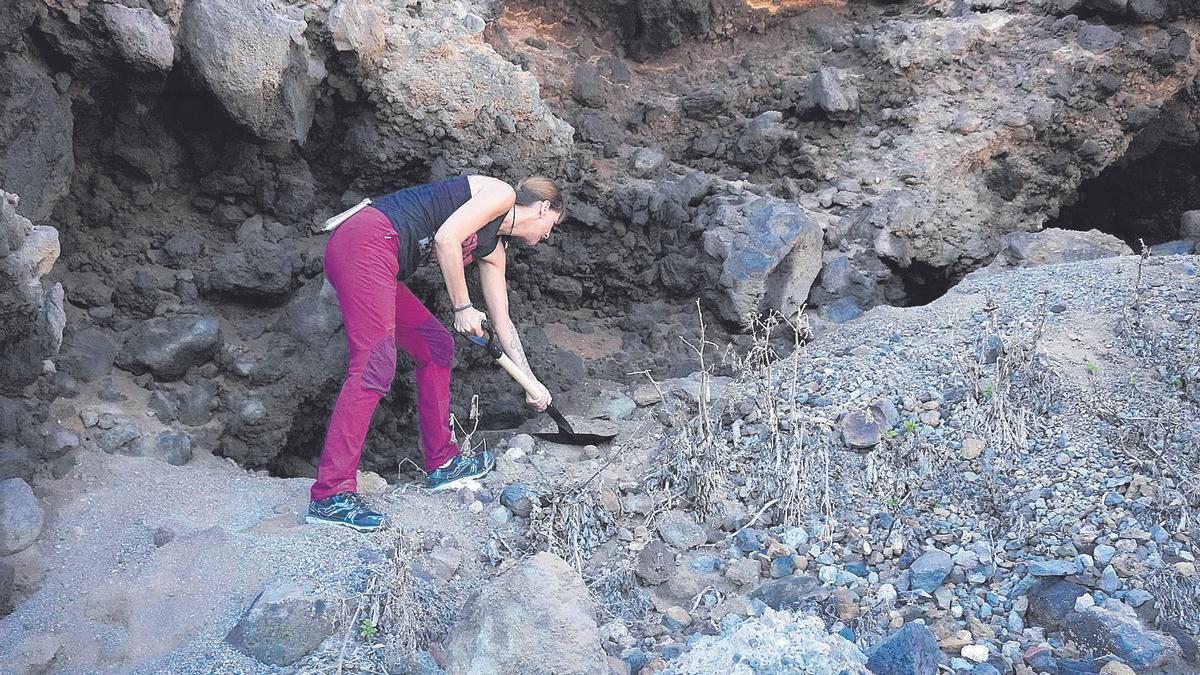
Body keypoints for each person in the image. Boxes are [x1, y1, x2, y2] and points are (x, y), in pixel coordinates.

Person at [306, 175, 565, 531]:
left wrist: (530, 382)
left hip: (383, 260)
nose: (549, 235)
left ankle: (442, 463)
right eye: (553, 223)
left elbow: (504, 325)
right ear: (542, 207)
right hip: (366, 241)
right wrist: (462, 308)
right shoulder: (501, 194)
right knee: (374, 364)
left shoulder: (493, 251)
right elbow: (446, 239)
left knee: (436, 346)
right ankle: (330, 494)